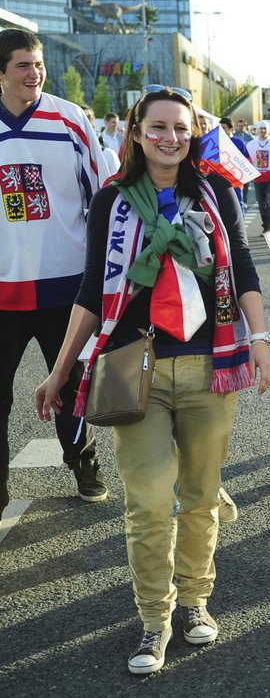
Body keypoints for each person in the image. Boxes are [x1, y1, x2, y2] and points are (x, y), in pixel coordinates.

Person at [35, 84, 270, 675]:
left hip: (209, 363)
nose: (171, 138)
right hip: (131, 366)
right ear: (136, 134)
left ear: (193, 133)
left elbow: (242, 268)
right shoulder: (113, 201)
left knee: (198, 497)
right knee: (146, 503)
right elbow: (92, 290)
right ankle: (155, 618)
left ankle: (195, 600)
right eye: (159, 127)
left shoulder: (216, 190)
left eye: (182, 127)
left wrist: (262, 342)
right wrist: (60, 371)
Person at [0, 29, 109, 513]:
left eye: (38, 63)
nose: (34, 73)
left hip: (65, 288)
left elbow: (103, 198)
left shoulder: (69, 120)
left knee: (71, 387)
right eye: (22, 64)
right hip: (3, 293)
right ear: (1, 72)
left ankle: (83, 460)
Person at [245, 121, 270, 233]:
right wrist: (250, 175)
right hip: (258, 179)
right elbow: (247, 162)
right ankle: (266, 224)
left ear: (267, 130)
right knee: (261, 203)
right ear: (257, 130)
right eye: (260, 128)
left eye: (264, 128)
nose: (262, 131)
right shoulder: (251, 145)